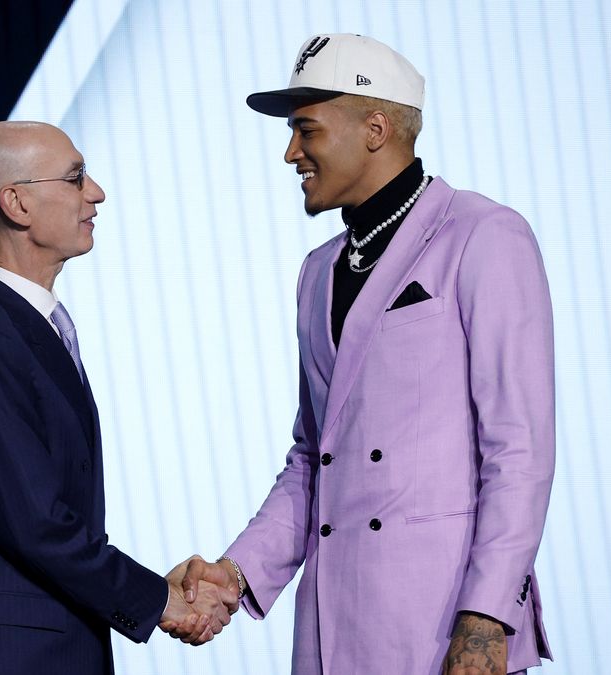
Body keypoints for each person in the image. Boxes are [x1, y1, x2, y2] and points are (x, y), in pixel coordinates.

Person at [180, 34, 556, 674]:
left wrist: (489, 615)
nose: (290, 152)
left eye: (307, 131)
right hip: (331, 627)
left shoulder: (484, 236)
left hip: (443, 629)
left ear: (376, 128)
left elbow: (519, 448)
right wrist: (236, 573)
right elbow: (314, 457)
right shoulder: (318, 270)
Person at [0, 121, 235, 675]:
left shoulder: (21, 327)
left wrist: (154, 590)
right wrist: (159, 603)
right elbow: (36, 524)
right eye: (75, 178)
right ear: (16, 204)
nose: (96, 193)